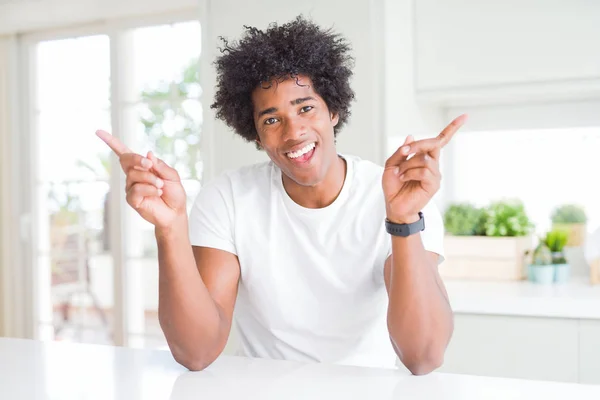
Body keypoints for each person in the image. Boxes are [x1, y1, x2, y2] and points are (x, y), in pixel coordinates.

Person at [96, 15, 464, 374]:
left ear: (333, 110)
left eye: (306, 108)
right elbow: (196, 352)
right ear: (255, 134)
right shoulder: (229, 198)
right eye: (271, 119)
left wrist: (402, 222)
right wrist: (171, 227)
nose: (294, 131)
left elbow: (423, 356)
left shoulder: (398, 197)